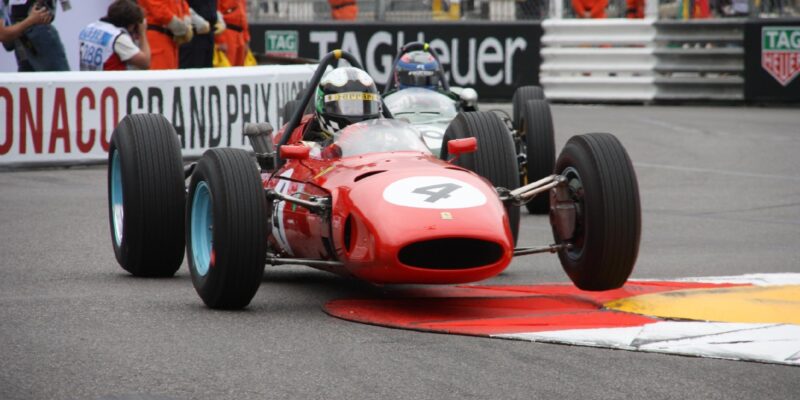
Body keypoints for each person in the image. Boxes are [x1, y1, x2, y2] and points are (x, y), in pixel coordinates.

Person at [307, 66, 382, 143]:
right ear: (323, 106)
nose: (355, 112)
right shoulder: (311, 147)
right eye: (348, 107)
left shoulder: (384, 135)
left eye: (361, 107)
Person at [78, 0, 150, 71]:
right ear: (131, 25)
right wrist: (142, 33)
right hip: (111, 81)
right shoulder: (117, 37)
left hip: (87, 80)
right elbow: (145, 63)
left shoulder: (89, 28)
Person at [2, 0, 69, 71]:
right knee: (58, 79)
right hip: (32, 32)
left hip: (26, 32)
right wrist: (31, 20)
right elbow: (5, 38)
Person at [139, 0, 192, 70]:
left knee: (171, 76)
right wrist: (182, 29)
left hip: (171, 37)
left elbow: (183, 4)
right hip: (157, 37)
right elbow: (159, 10)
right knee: (160, 77)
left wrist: (186, 23)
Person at [179, 0, 219, 68]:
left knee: (207, 72)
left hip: (208, 33)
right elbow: (180, 4)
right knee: (191, 72)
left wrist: (218, 19)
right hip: (193, 33)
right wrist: (197, 21)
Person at [215, 0, 248, 66]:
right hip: (227, 31)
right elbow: (216, 15)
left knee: (240, 69)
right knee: (227, 67)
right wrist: (220, 40)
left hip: (240, 34)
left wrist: (246, 39)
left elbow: (243, 16)